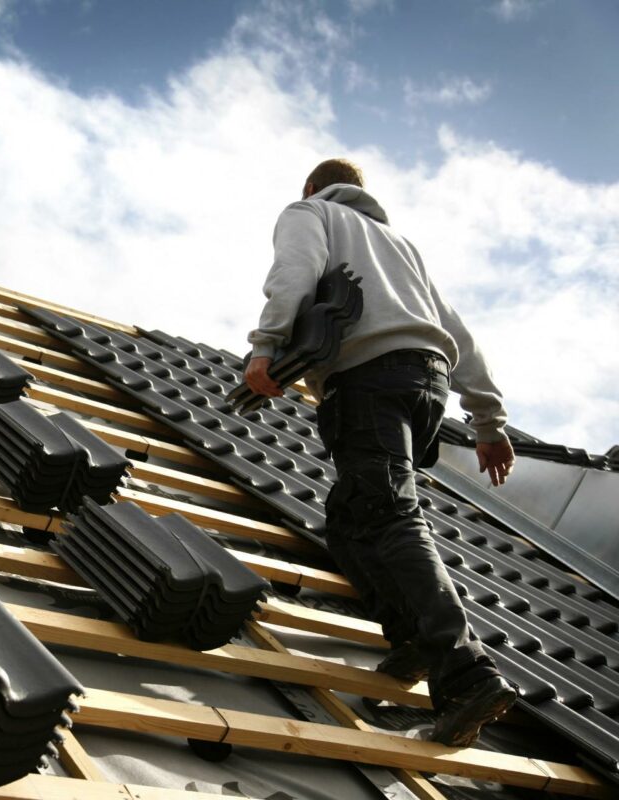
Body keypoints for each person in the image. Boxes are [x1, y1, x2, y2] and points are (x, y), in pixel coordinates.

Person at [244, 158, 518, 747]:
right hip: (427, 387)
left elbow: (295, 269)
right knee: (350, 520)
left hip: (366, 381)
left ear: (313, 187)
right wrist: (490, 420)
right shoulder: (401, 246)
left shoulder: (310, 211)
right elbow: (456, 330)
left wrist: (264, 346)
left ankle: (467, 674)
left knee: (392, 512)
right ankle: (413, 637)